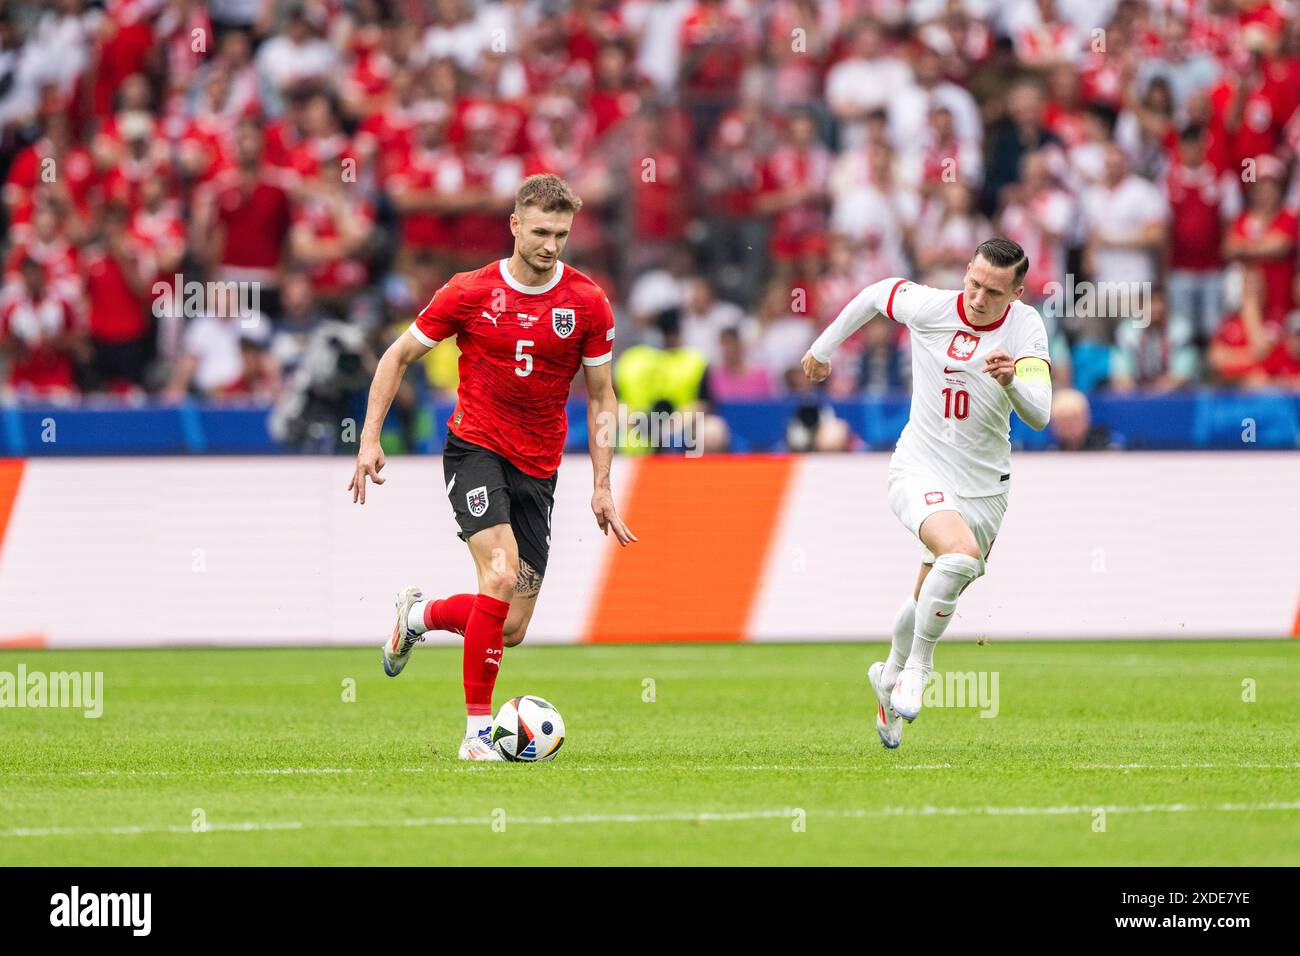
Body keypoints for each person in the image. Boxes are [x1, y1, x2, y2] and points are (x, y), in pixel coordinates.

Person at [348, 174, 636, 761]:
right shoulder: (469, 291)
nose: (550, 244)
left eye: (560, 233)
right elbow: (397, 355)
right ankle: (478, 733)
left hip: (540, 465)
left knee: (509, 625)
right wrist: (369, 439)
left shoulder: (587, 302)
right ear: (514, 225)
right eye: (539, 232)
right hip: (475, 449)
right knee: (500, 576)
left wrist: (603, 484)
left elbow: (603, 395)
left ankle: (419, 616)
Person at [801, 238, 1052, 749]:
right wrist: (823, 348)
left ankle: (887, 677)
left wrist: (1011, 383)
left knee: (931, 589)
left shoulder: (1025, 327)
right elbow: (875, 294)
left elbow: (1041, 414)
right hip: (919, 465)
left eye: (994, 292)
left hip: (984, 487)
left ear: (1016, 293)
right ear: (967, 272)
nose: (979, 297)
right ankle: (918, 667)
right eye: (975, 283)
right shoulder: (932, 306)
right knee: (959, 554)